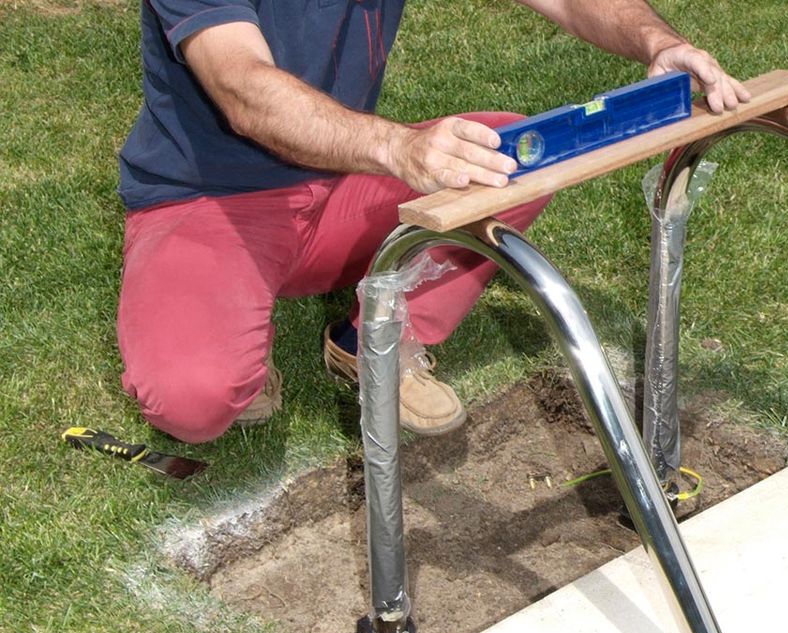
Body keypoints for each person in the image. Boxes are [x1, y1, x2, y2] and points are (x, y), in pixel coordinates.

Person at [116, 0, 751, 444]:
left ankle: (377, 341)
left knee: (508, 154)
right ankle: (227, 332)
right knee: (195, 400)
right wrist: (397, 148)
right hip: (211, 203)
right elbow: (242, 90)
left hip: (338, 183)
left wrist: (659, 43)